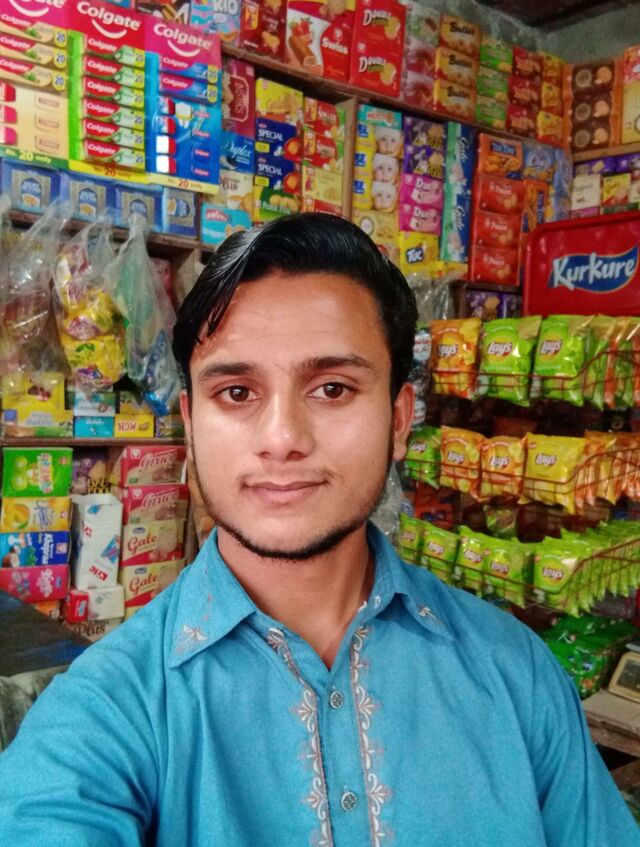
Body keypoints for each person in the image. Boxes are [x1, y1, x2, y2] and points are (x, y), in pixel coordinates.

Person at [0, 213, 637, 846]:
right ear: (190, 425)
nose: (282, 438)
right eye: (237, 392)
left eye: (332, 388)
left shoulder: (517, 673)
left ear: (399, 420)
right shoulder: (106, 710)